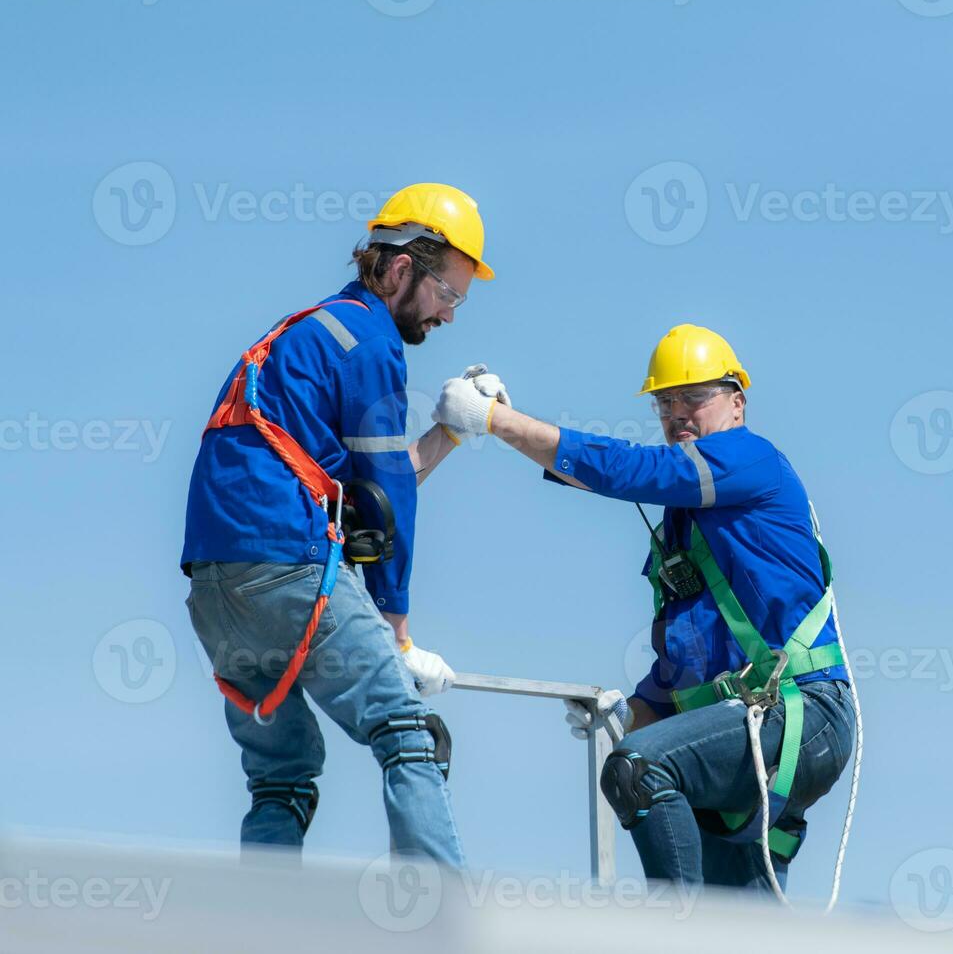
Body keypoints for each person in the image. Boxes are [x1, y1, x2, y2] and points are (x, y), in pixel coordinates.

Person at [432, 324, 858, 896]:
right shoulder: (688, 524)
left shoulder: (748, 459)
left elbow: (630, 470)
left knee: (640, 769)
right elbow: (693, 655)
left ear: (737, 402)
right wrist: (630, 711)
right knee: (736, 924)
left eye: (693, 398)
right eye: (665, 402)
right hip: (751, 729)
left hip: (799, 716)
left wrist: (498, 422)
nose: (677, 413)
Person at [180, 183, 493, 866]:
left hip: (215, 585)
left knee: (281, 778)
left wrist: (449, 431)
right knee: (409, 736)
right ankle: (444, 925)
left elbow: (357, 488)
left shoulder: (309, 332)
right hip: (289, 564)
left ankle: (262, 926)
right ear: (403, 268)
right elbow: (385, 499)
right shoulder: (373, 344)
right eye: (448, 294)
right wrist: (398, 630)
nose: (448, 315)